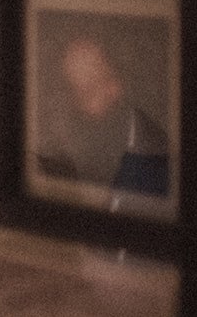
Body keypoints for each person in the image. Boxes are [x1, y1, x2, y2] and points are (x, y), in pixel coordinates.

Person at [38, 34, 170, 196]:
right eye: (79, 94)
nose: (112, 90)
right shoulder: (62, 148)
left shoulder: (158, 161)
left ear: (119, 78)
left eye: (89, 91)